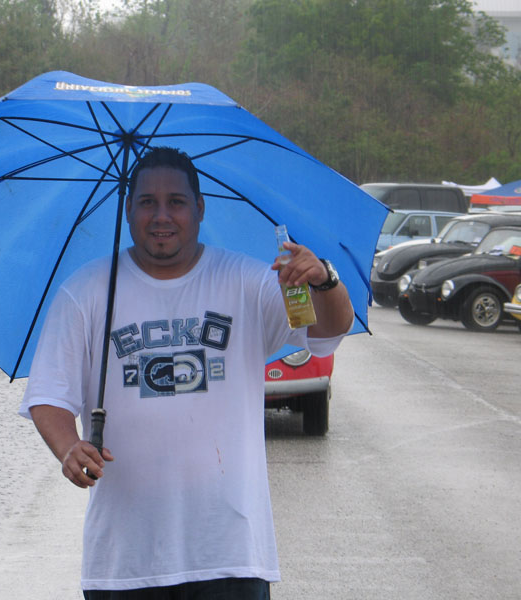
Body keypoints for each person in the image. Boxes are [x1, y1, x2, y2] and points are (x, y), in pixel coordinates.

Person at [19, 146, 354, 599]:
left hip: (230, 553)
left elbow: (330, 329)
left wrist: (325, 281)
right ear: (128, 209)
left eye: (175, 201)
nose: (161, 216)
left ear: (199, 208)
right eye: (147, 202)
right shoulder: (87, 292)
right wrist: (68, 448)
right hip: (125, 561)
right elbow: (49, 395)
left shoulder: (247, 282)